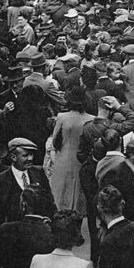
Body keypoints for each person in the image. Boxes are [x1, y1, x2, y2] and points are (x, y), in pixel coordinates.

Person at [49, 86, 95, 214]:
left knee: (60, 189)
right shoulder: (91, 119)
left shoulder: (62, 117)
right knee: (78, 190)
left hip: (63, 157)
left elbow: (55, 140)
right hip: (81, 159)